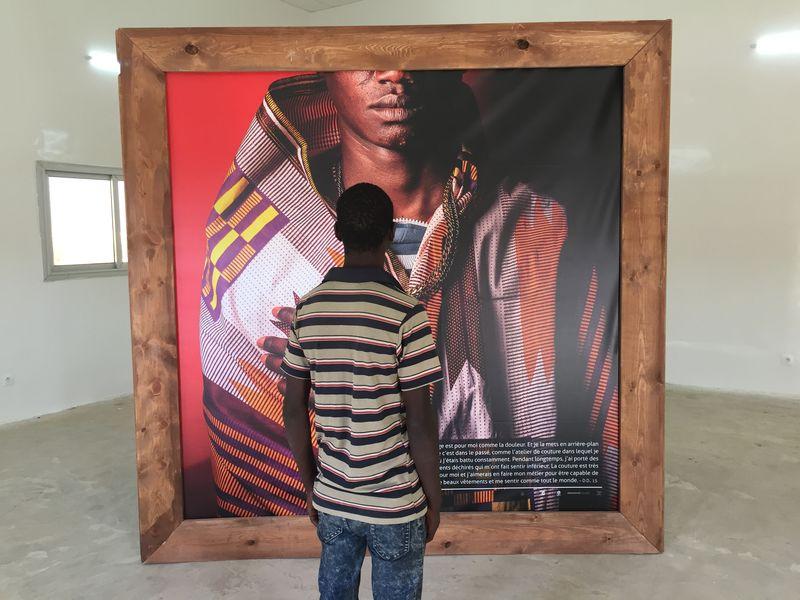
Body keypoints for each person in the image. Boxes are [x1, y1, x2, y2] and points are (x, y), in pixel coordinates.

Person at [199, 70, 618, 518]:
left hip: (504, 542)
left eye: (413, 51)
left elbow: (602, 438)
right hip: (330, 531)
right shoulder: (256, 245)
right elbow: (255, 450)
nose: (394, 72)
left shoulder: (541, 232)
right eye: (364, 51)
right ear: (325, 68)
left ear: (453, 65)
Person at [281, 183, 442, 600]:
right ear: (390, 234)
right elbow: (420, 423)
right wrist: (434, 498)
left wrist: (311, 486)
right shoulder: (407, 314)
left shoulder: (308, 311)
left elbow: (294, 411)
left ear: (338, 232)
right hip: (396, 504)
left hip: (333, 499)